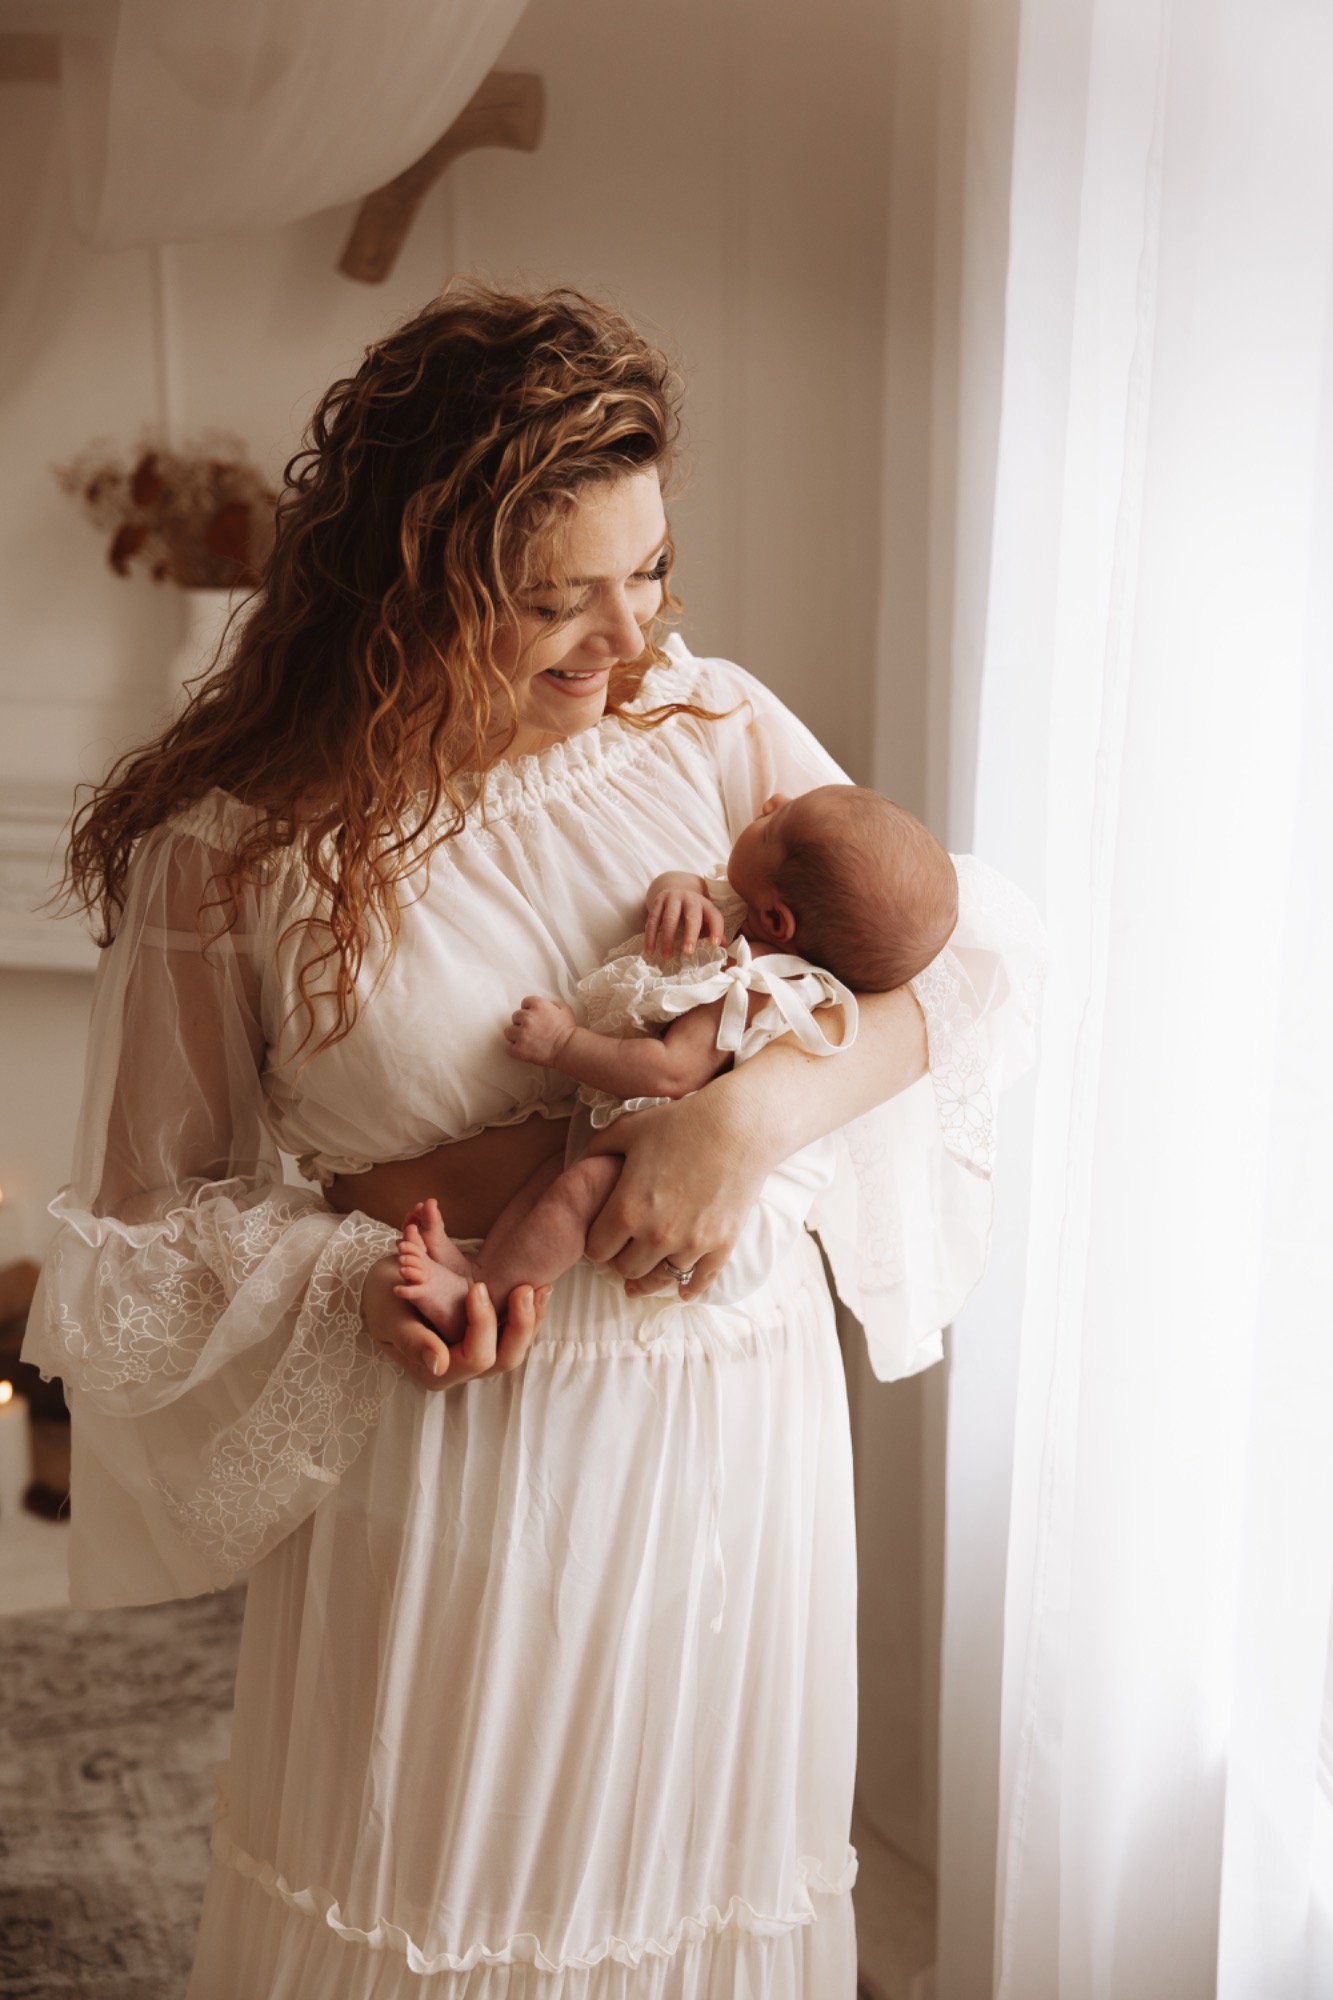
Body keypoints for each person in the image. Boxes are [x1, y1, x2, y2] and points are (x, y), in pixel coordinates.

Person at [24, 283, 1044, 1998]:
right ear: (408, 582)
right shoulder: (237, 851)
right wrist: (357, 1288)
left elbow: (966, 961)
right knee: (449, 1908)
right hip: (470, 1440)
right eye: (552, 599)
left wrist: (745, 1121)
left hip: (730, 1419)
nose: (625, 640)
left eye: (647, 572)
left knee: (695, 1893)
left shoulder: (709, 730)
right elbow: (142, 1239)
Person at [395, 785, 960, 1334]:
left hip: (730, 1217)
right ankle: (479, 1271)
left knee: (576, 1188)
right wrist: (678, 893)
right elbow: (690, 882)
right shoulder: (750, 913)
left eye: (775, 826)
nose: (772, 802)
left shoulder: (753, 982)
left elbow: (670, 1071)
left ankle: (482, 1301)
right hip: (689, 1161)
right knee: (555, 1175)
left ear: (778, 922)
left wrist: (563, 1044)